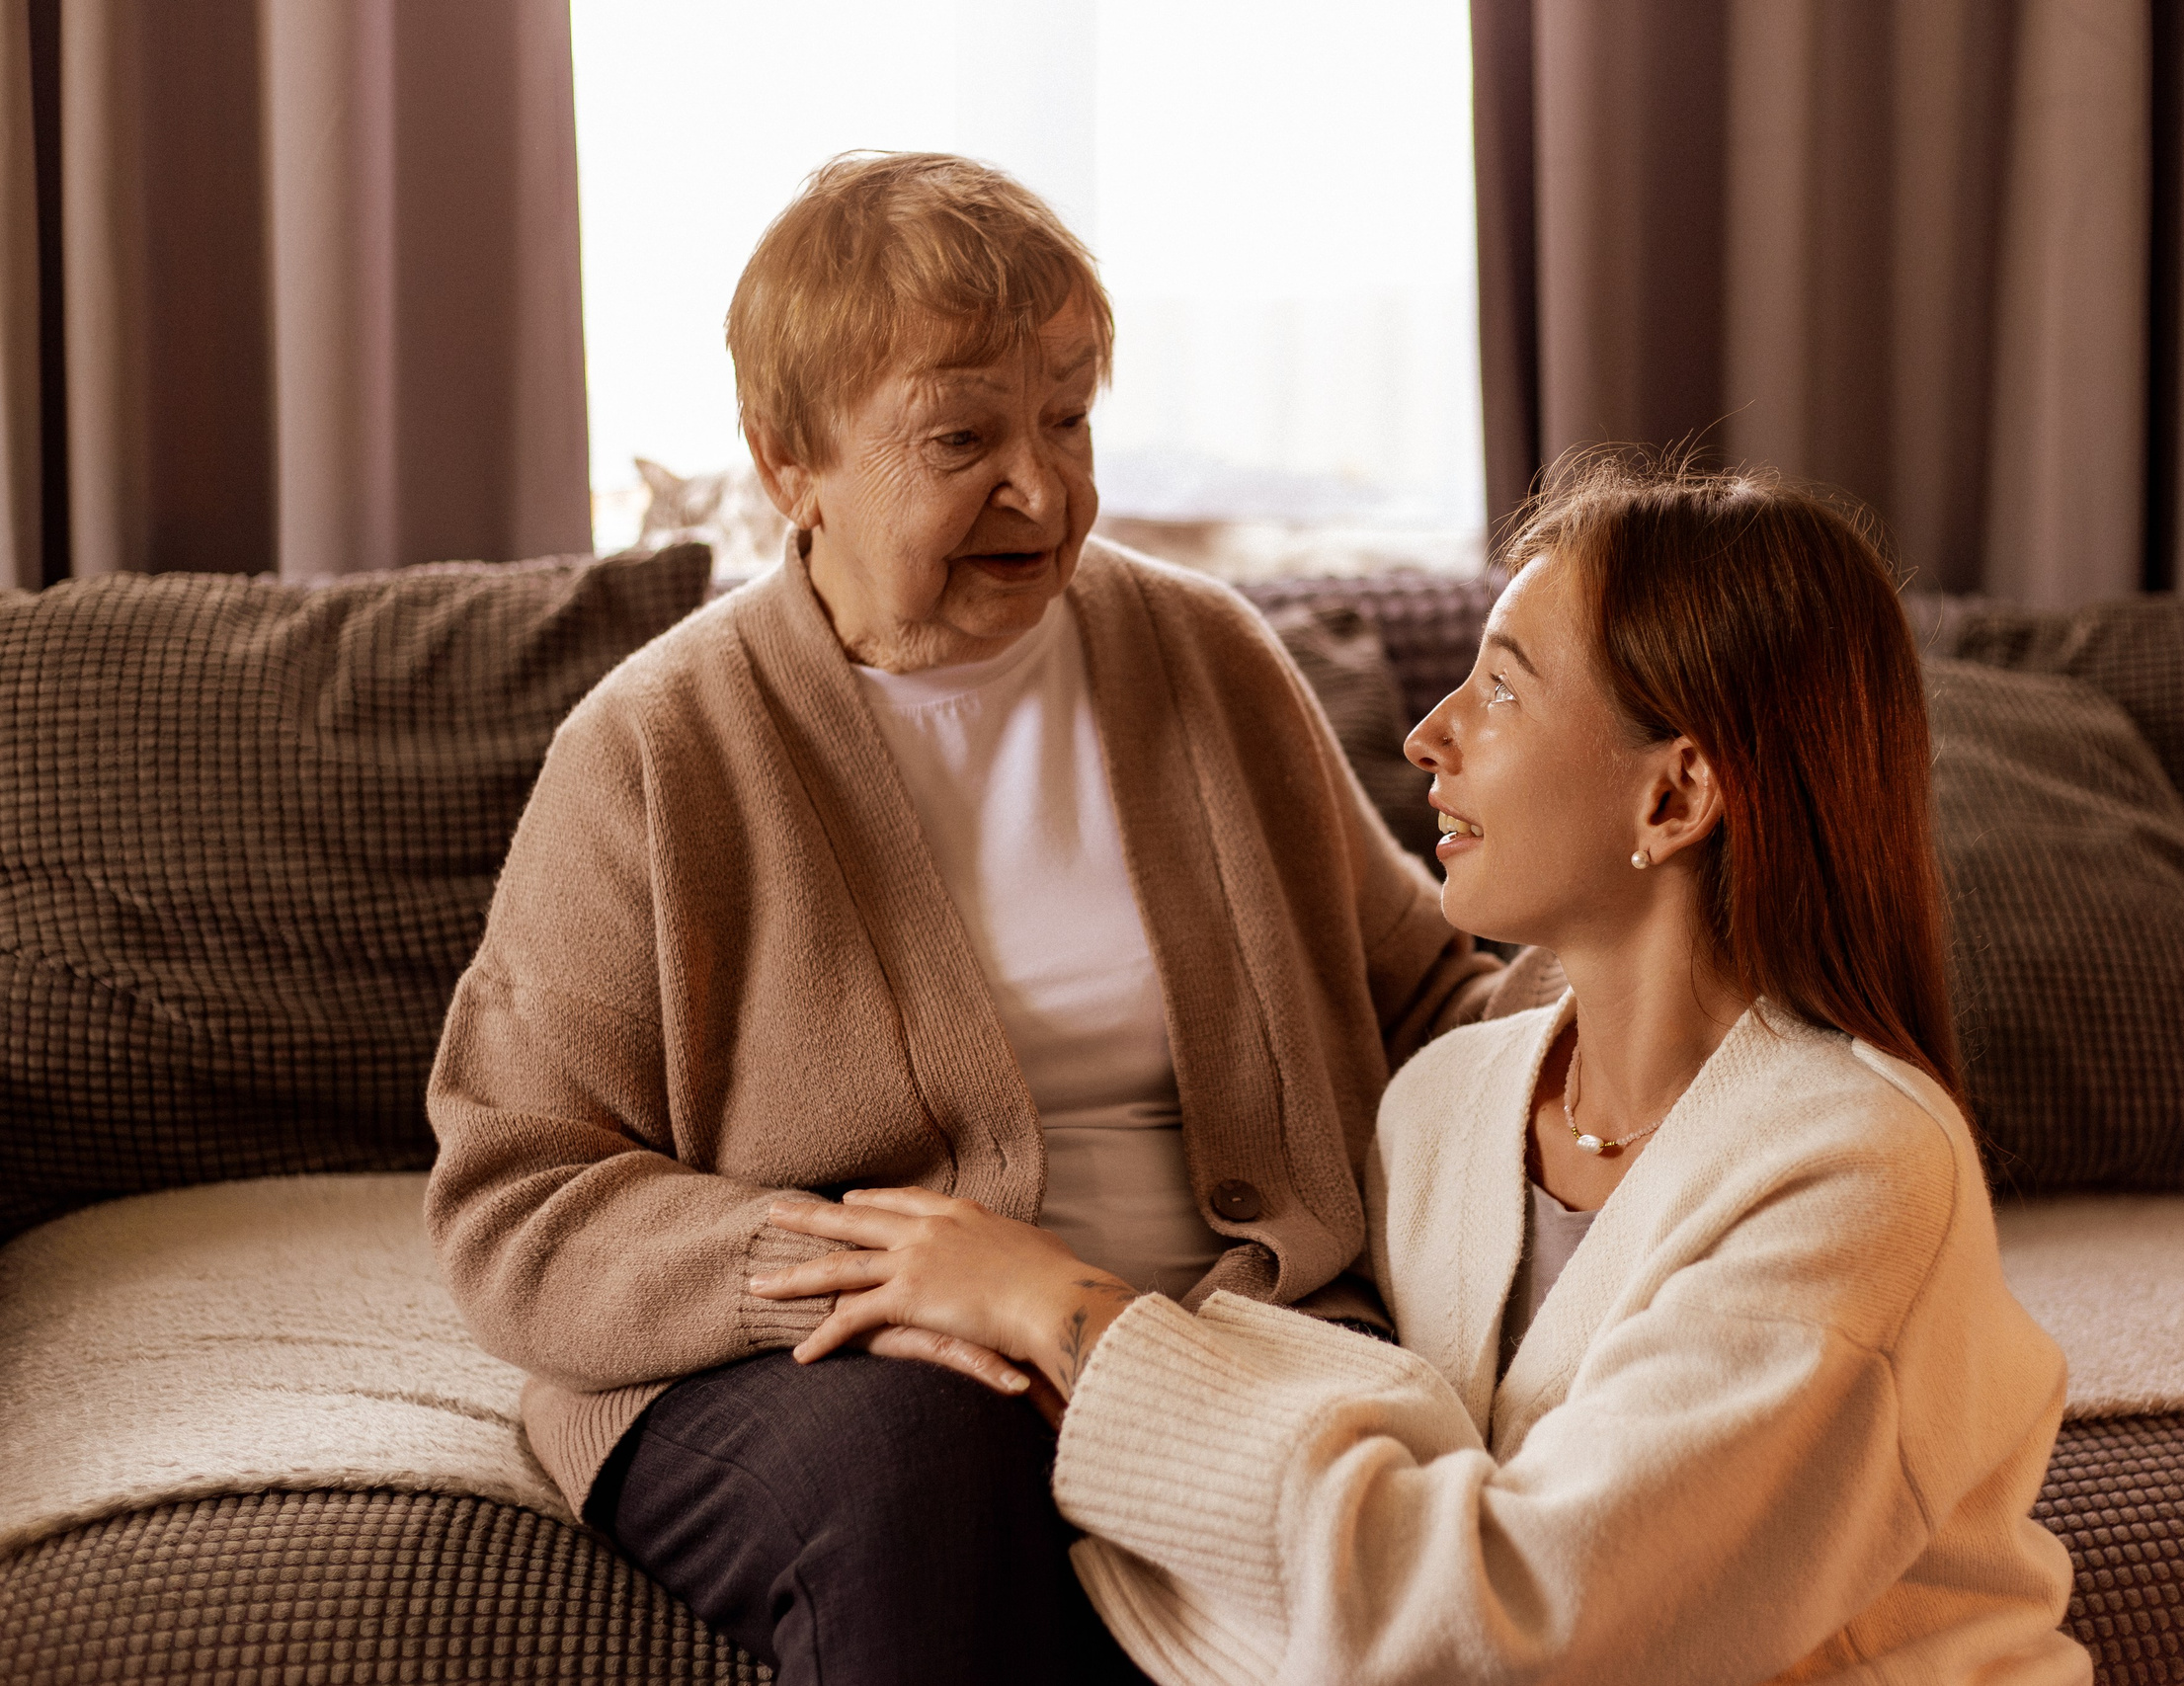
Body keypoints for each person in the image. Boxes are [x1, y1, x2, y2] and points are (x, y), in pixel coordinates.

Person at [424, 152, 1503, 1685]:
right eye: (962, 436)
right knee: (933, 1468)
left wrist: (1666, 1011)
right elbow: (511, 1200)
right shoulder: (659, 749)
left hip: (1215, 1332)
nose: (1045, 489)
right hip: (824, 1375)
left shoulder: (1203, 655)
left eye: (1068, 418)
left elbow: (1422, 1003)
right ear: (787, 457)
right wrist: (840, 1269)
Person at [751, 457, 2094, 1684]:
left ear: (1672, 799)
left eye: (1502, 688)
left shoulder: (1859, 1176)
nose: (1429, 736)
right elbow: (1395, 1530)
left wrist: (1069, 1316)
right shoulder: (1449, 1110)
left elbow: (1521, 1623)